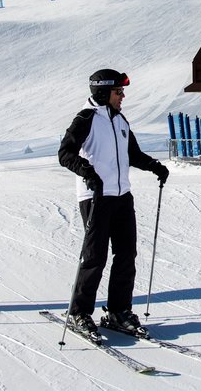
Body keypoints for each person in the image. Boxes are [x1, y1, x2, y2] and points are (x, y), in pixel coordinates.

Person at [58, 69, 169, 340]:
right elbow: (65, 153)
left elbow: (132, 154)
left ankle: (118, 311)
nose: (122, 96)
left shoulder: (120, 120)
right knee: (95, 257)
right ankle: (79, 312)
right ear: (103, 91)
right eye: (118, 91)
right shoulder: (86, 118)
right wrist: (88, 172)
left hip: (122, 196)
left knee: (126, 254)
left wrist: (154, 166)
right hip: (96, 196)